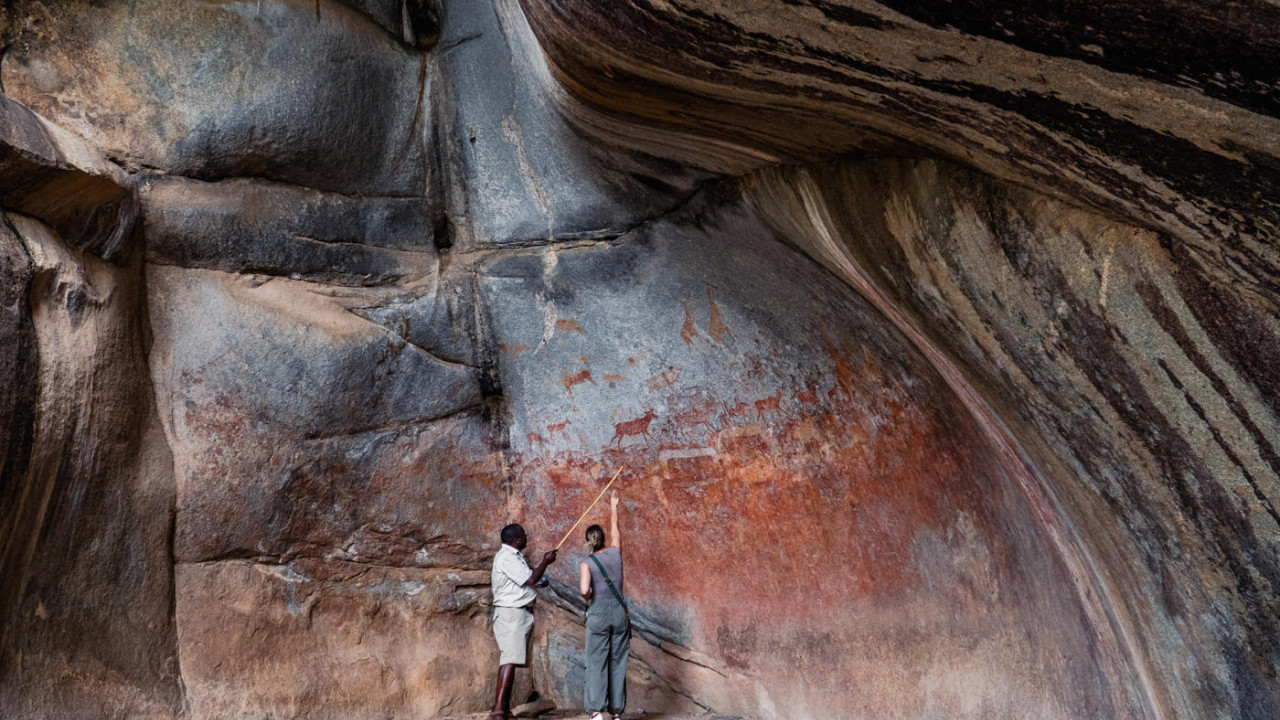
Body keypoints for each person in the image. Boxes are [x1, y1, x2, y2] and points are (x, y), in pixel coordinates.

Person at [491, 523, 557, 720]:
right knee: (509, 660)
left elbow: (530, 580)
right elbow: (530, 580)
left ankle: (504, 710)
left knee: (512, 660)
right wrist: (545, 562)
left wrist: (539, 578)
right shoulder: (506, 557)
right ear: (516, 539)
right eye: (524, 536)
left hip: (519, 614)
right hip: (511, 614)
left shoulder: (514, 557)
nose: (526, 538)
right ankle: (497, 712)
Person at [579, 491, 629, 720]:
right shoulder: (616, 553)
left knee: (596, 661)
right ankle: (617, 713)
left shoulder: (586, 563)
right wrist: (613, 506)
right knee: (618, 661)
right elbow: (616, 529)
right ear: (604, 539)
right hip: (619, 614)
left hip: (598, 613)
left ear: (589, 540)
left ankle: (597, 712)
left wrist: (590, 597)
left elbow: (583, 591)